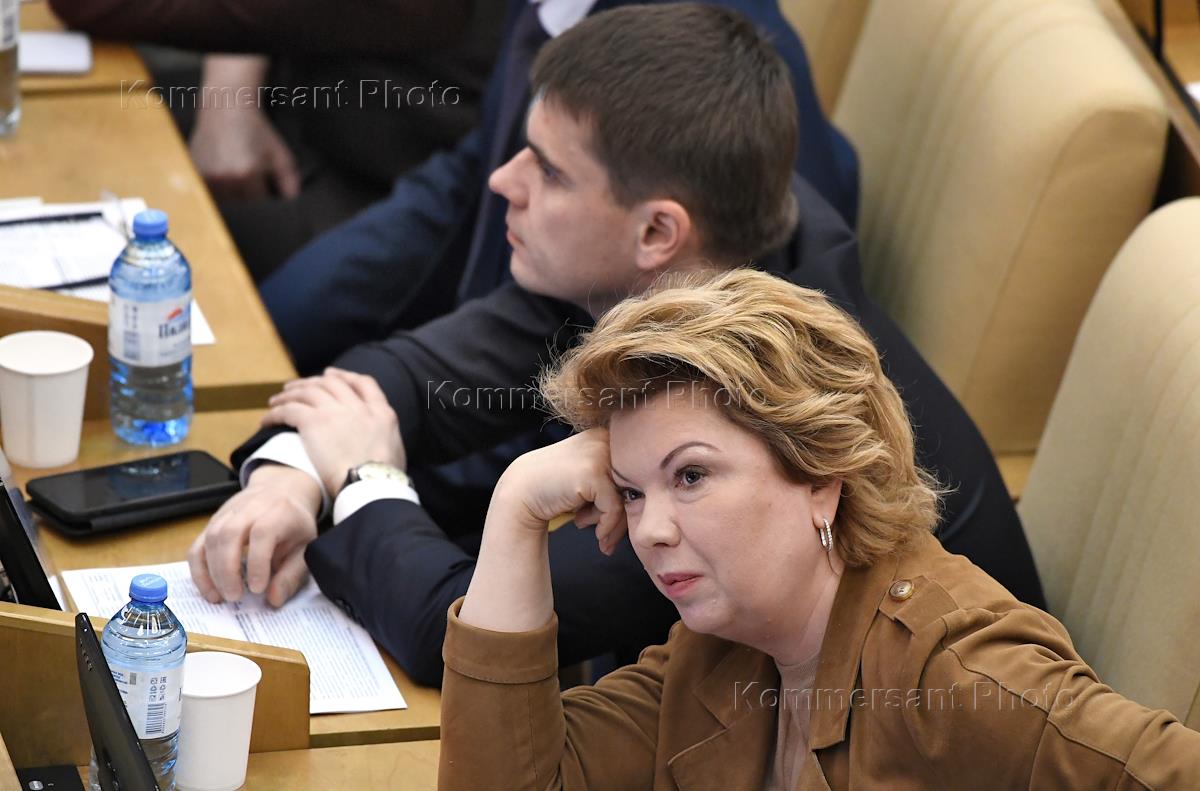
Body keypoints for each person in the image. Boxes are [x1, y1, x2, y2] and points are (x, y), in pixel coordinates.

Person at [189, 3, 1044, 688]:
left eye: (549, 170)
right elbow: (405, 376)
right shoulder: (675, 264)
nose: (503, 181)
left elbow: (466, 639)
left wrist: (364, 480)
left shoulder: (744, 432)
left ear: (658, 231)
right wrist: (293, 478)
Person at [440, 268, 1200, 790]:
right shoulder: (722, 651)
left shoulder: (956, 674)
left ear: (821, 478)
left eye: (691, 476)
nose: (651, 531)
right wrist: (516, 509)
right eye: (632, 491)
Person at [48, 0, 504, 280]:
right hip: (303, 102)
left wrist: (230, 97)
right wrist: (230, 94)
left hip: (385, 189)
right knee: (76, 143)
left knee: (107, 248)